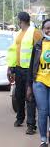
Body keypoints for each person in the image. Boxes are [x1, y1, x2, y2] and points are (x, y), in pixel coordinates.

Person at [7, 12, 42, 134]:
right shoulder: (18, 34)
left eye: (18, 20)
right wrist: (11, 67)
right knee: (19, 95)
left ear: (21, 20)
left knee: (29, 96)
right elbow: (13, 51)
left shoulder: (35, 32)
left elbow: (40, 51)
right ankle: (20, 118)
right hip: (18, 68)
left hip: (30, 70)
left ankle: (31, 125)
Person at [27, 19, 50, 147]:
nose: (49, 30)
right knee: (43, 110)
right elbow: (31, 67)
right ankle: (43, 140)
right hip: (40, 81)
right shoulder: (38, 46)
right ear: (42, 30)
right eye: (47, 28)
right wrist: (29, 86)